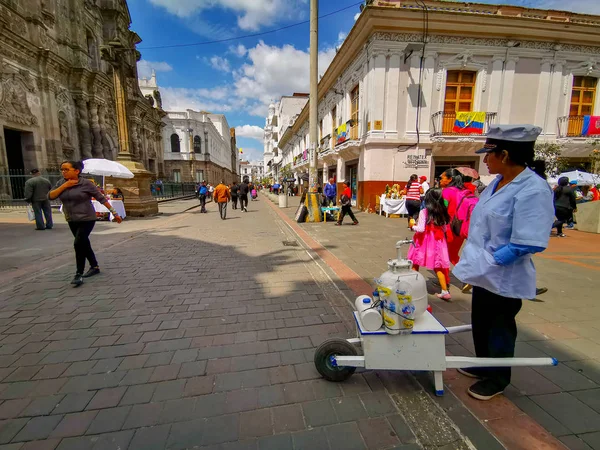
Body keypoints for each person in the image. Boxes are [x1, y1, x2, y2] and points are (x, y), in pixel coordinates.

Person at [453, 125, 554, 401]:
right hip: (483, 272)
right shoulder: (497, 183)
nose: (485, 160)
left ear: (505, 154)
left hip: (503, 274)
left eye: (489, 154)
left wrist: (493, 261)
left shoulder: (533, 189)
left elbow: (529, 241)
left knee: (499, 327)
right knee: (481, 322)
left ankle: (497, 379)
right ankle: (483, 365)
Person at [49, 160, 122, 286]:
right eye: (62, 169)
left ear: (77, 171)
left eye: (66, 169)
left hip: (87, 218)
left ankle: (78, 274)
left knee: (78, 244)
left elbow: (101, 198)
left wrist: (114, 213)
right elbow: (50, 196)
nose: (63, 172)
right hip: (71, 219)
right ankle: (94, 266)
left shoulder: (86, 183)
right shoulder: (61, 183)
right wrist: (65, 186)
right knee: (84, 243)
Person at [407, 189, 452, 301]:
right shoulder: (442, 211)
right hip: (438, 241)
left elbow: (421, 229)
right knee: (438, 266)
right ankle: (445, 291)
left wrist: (412, 226)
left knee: (415, 262)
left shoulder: (424, 212)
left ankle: (413, 287)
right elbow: (444, 228)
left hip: (423, 241)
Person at [440, 168, 473, 267]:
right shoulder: (466, 191)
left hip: (449, 228)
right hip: (461, 227)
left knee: (446, 255)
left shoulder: (447, 191)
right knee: (452, 254)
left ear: (450, 179)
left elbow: (443, 208)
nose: (440, 180)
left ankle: (466, 276)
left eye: (442, 178)